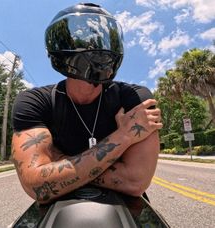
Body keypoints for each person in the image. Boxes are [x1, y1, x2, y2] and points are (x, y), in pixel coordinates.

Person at [11, 3, 163, 205]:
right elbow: (36, 185)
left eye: (105, 39)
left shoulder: (134, 98)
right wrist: (123, 136)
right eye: (86, 42)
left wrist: (61, 161)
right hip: (56, 210)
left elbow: (135, 182)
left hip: (125, 207)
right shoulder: (34, 102)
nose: (98, 50)